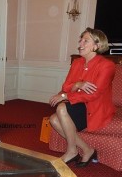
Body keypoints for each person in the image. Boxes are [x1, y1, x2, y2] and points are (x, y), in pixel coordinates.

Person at [49, 27, 116, 167]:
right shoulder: (77, 62)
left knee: (61, 108)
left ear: (97, 46)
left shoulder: (106, 66)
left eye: (86, 41)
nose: (80, 43)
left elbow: (94, 94)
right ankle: (87, 149)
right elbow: (66, 86)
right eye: (81, 40)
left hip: (95, 107)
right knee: (53, 120)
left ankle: (72, 151)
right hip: (79, 103)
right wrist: (78, 84)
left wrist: (66, 95)